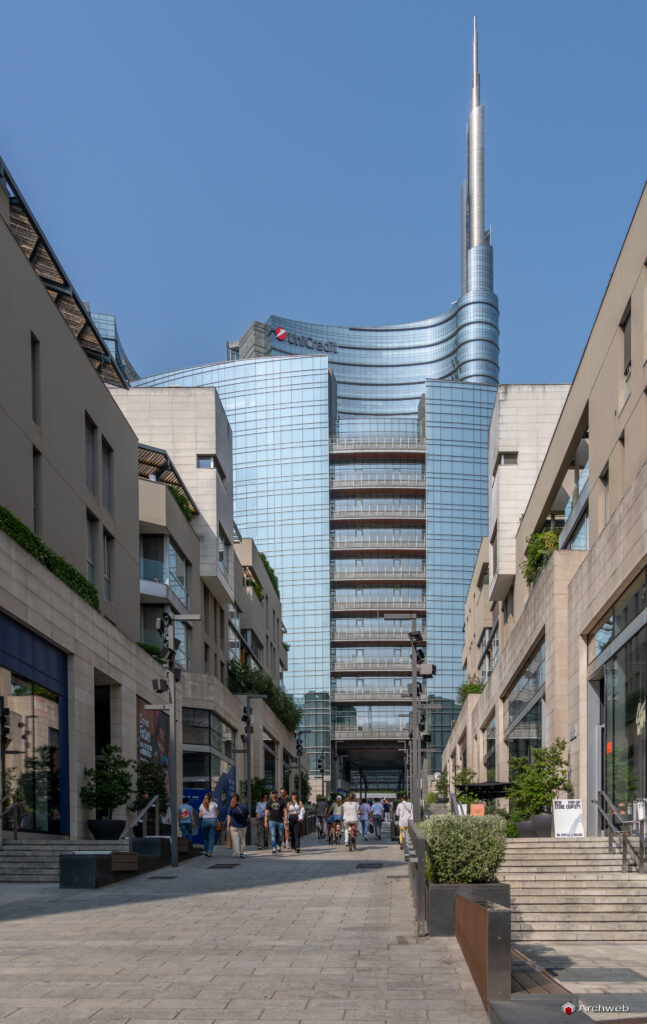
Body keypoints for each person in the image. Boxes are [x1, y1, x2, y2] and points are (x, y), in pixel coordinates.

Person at [227, 793, 250, 858]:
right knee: (242, 840)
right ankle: (242, 853)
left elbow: (228, 817)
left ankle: (237, 853)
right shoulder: (243, 807)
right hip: (243, 826)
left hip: (233, 826)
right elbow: (248, 816)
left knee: (235, 840)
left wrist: (228, 826)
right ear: (239, 799)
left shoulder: (231, 807)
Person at [265, 789, 287, 853]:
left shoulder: (281, 801)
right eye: (272, 793)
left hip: (280, 821)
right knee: (273, 835)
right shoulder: (269, 802)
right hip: (272, 821)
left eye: (275, 793)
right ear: (271, 794)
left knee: (280, 835)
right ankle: (274, 847)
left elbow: (285, 810)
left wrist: (285, 819)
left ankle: (278, 845)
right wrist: (265, 822)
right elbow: (266, 812)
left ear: (277, 794)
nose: (274, 795)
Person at [198, 792, 219, 857]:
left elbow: (200, 816)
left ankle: (206, 851)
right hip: (213, 820)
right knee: (211, 837)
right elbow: (217, 814)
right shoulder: (214, 804)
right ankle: (210, 852)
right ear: (211, 798)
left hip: (205, 821)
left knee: (205, 837)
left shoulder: (202, 805)